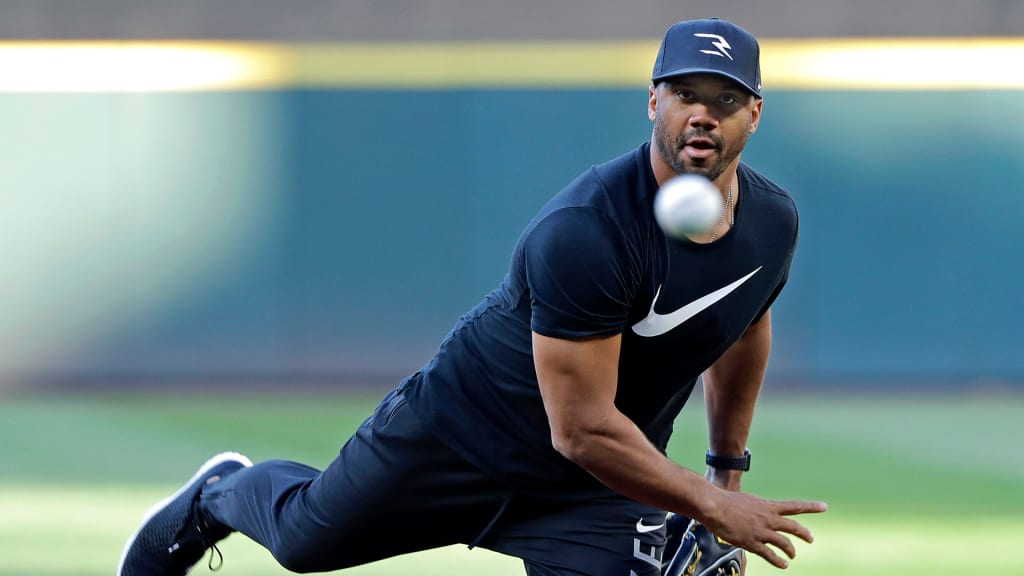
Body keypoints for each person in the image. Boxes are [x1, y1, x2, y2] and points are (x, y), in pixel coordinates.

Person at [118, 17, 827, 576]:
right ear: (653, 101)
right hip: (462, 435)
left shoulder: (772, 224)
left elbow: (742, 326)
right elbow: (577, 427)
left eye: (725, 100)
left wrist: (725, 473)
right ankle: (222, 491)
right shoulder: (587, 232)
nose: (703, 115)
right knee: (306, 543)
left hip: (599, 483)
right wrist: (705, 504)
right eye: (685, 95)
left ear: (755, 114)